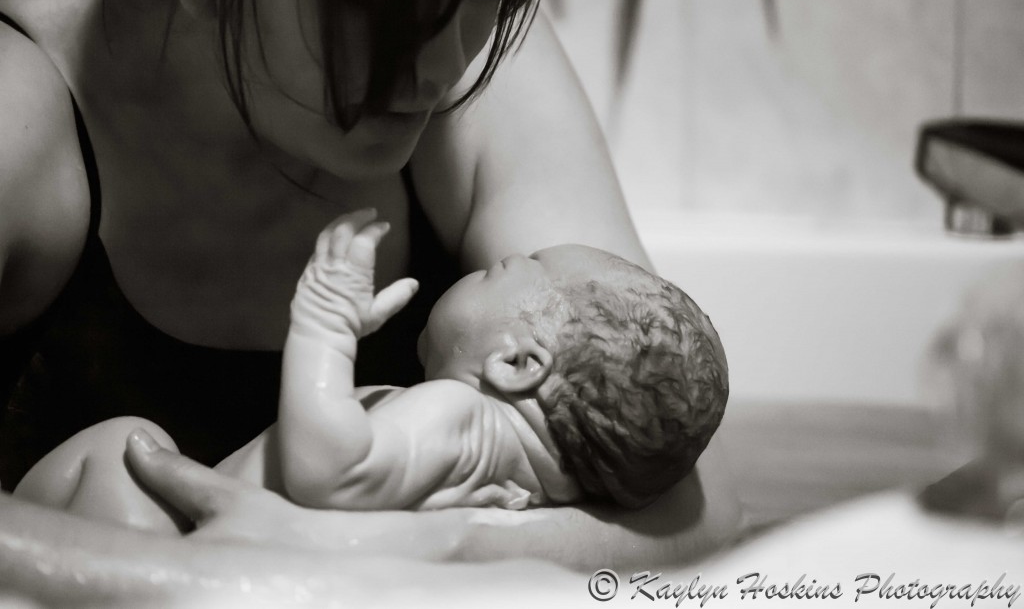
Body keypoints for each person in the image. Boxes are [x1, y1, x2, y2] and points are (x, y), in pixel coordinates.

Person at [0, 0, 741, 573]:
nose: (443, 62)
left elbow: (692, 511)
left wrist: (376, 553)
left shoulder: (485, 71)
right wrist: (190, 577)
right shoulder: (17, 112)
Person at [14, 208, 729, 529]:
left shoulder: (460, 417)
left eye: (509, 269)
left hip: (164, 543)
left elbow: (334, 470)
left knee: (124, 448)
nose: (488, 266)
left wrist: (325, 324)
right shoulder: (530, 492)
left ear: (516, 363)